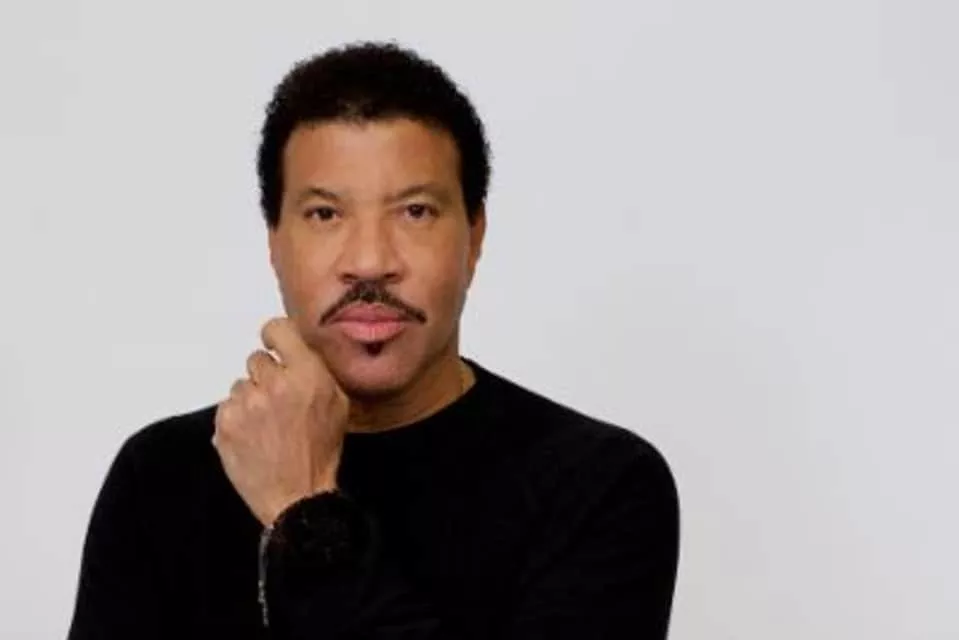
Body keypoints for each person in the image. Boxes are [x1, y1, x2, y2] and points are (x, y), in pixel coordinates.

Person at [67, 41, 680, 639]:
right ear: (274, 241)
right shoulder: (161, 476)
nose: (369, 262)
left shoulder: (601, 486)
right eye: (325, 214)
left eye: (415, 212)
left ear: (475, 237)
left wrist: (304, 511)